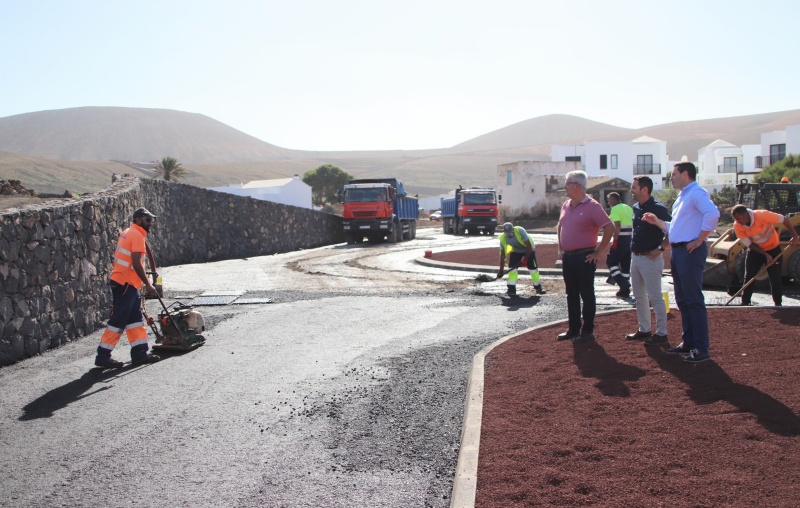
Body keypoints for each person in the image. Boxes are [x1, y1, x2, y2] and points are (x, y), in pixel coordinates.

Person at [643, 162, 720, 363]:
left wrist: (700, 239)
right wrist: (657, 222)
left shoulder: (696, 193)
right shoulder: (683, 196)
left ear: (685, 174)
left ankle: (701, 348)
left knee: (692, 299)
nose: (671, 178)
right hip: (679, 251)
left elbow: (713, 214)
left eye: (674, 174)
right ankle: (689, 342)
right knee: (683, 299)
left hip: (689, 251)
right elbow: (677, 228)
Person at [95, 207, 162, 368]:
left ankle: (140, 354)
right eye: (147, 220)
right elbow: (136, 264)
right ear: (138, 220)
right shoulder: (137, 235)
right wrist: (148, 285)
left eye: (151, 220)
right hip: (126, 283)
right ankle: (103, 356)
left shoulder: (128, 232)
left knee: (135, 321)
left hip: (127, 283)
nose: (150, 223)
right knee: (119, 320)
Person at [556, 170, 614, 344]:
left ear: (577, 185)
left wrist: (598, 252)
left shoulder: (593, 206)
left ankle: (587, 331)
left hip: (584, 257)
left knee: (586, 294)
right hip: (568, 257)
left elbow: (609, 228)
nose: (565, 186)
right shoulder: (566, 205)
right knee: (571, 294)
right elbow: (560, 225)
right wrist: (560, 247)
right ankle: (573, 329)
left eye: (567, 183)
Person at [626, 176, 672, 346]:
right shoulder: (636, 207)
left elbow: (673, 230)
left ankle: (661, 333)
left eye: (634, 187)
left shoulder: (658, 209)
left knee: (655, 296)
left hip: (650, 258)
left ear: (644, 189)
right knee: (639, 296)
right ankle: (644, 329)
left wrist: (661, 248)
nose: (631, 190)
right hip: (636, 257)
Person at [731, 204, 799, 306]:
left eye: (739, 218)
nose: (737, 221)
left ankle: (778, 304)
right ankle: (745, 303)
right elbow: (750, 244)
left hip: (774, 249)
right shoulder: (737, 226)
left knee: (775, 278)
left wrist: (795, 236)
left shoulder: (762, 215)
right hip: (756, 251)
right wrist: (765, 254)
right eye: (736, 219)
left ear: (745, 214)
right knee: (749, 276)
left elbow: (784, 219)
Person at [497, 222, 546, 297]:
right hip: (516, 251)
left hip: (529, 249)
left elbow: (529, 246)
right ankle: (511, 290)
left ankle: (538, 288)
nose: (509, 234)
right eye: (507, 233)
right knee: (512, 269)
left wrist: (525, 260)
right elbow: (502, 255)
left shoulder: (520, 231)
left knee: (533, 269)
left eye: (510, 232)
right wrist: (501, 271)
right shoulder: (503, 238)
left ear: (513, 229)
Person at [605, 192, 634, 298]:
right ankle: (624, 291)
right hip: (629, 239)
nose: (608, 203)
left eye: (609, 200)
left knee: (611, 261)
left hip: (621, 239)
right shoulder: (628, 208)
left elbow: (617, 226)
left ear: (613, 200)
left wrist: (615, 240)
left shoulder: (615, 209)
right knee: (625, 265)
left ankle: (623, 283)